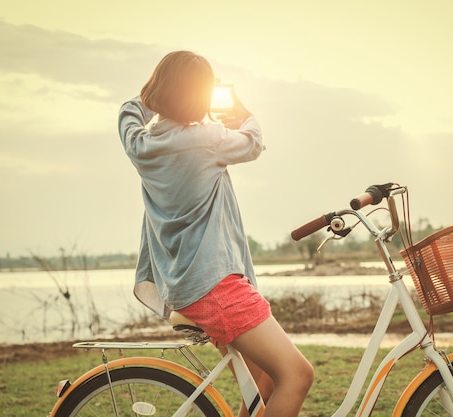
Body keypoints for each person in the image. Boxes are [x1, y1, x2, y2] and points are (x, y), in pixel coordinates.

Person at [117, 50, 314, 417]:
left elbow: (129, 112)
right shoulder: (206, 139)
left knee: (261, 384)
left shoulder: (141, 145)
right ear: (199, 96)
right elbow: (252, 142)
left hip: (186, 288)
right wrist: (243, 113)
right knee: (297, 376)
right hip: (216, 287)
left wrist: (153, 96)